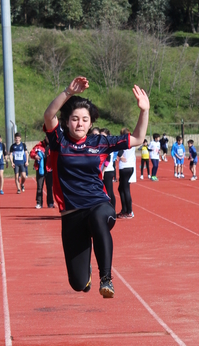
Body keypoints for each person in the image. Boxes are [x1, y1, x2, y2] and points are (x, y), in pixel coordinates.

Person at [43, 77, 149, 298]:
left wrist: (144, 111)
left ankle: (106, 278)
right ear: (67, 122)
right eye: (74, 119)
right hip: (72, 215)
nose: (79, 123)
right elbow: (48, 115)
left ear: (91, 123)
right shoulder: (59, 142)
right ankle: (88, 275)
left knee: (98, 218)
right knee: (78, 283)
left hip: (99, 205)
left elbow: (138, 138)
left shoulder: (100, 143)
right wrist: (67, 92)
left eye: (84, 119)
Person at [117, 129, 136, 218]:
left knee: (125, 189)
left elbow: (119, 152)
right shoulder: (132, 142)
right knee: (121, 188)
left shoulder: (123, 142)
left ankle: (129, 211)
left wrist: (120, 156)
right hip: (130, 167)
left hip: (124, 167)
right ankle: (124, 209)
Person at [30, 139, 48, 209]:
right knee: (40, 187)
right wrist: (35, 156)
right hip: (40, 169)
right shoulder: (39, 145)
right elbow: (31, 153)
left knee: (50, 187)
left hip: (49, 169)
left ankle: (50, 202)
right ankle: (39, 203)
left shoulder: (53, 144)